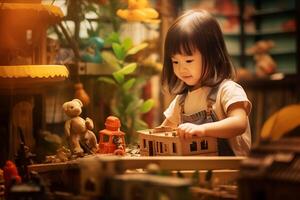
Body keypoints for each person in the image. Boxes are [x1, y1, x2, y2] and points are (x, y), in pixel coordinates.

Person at [160, 9, 252, 156]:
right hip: (197, 169)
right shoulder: (181, 100)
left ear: (213, 55)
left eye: (188, 60)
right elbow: (163, 131)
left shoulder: (227, 90)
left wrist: (202, 130)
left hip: (229, 170)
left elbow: (239, 124)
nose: (181, 68)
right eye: (175, 61)